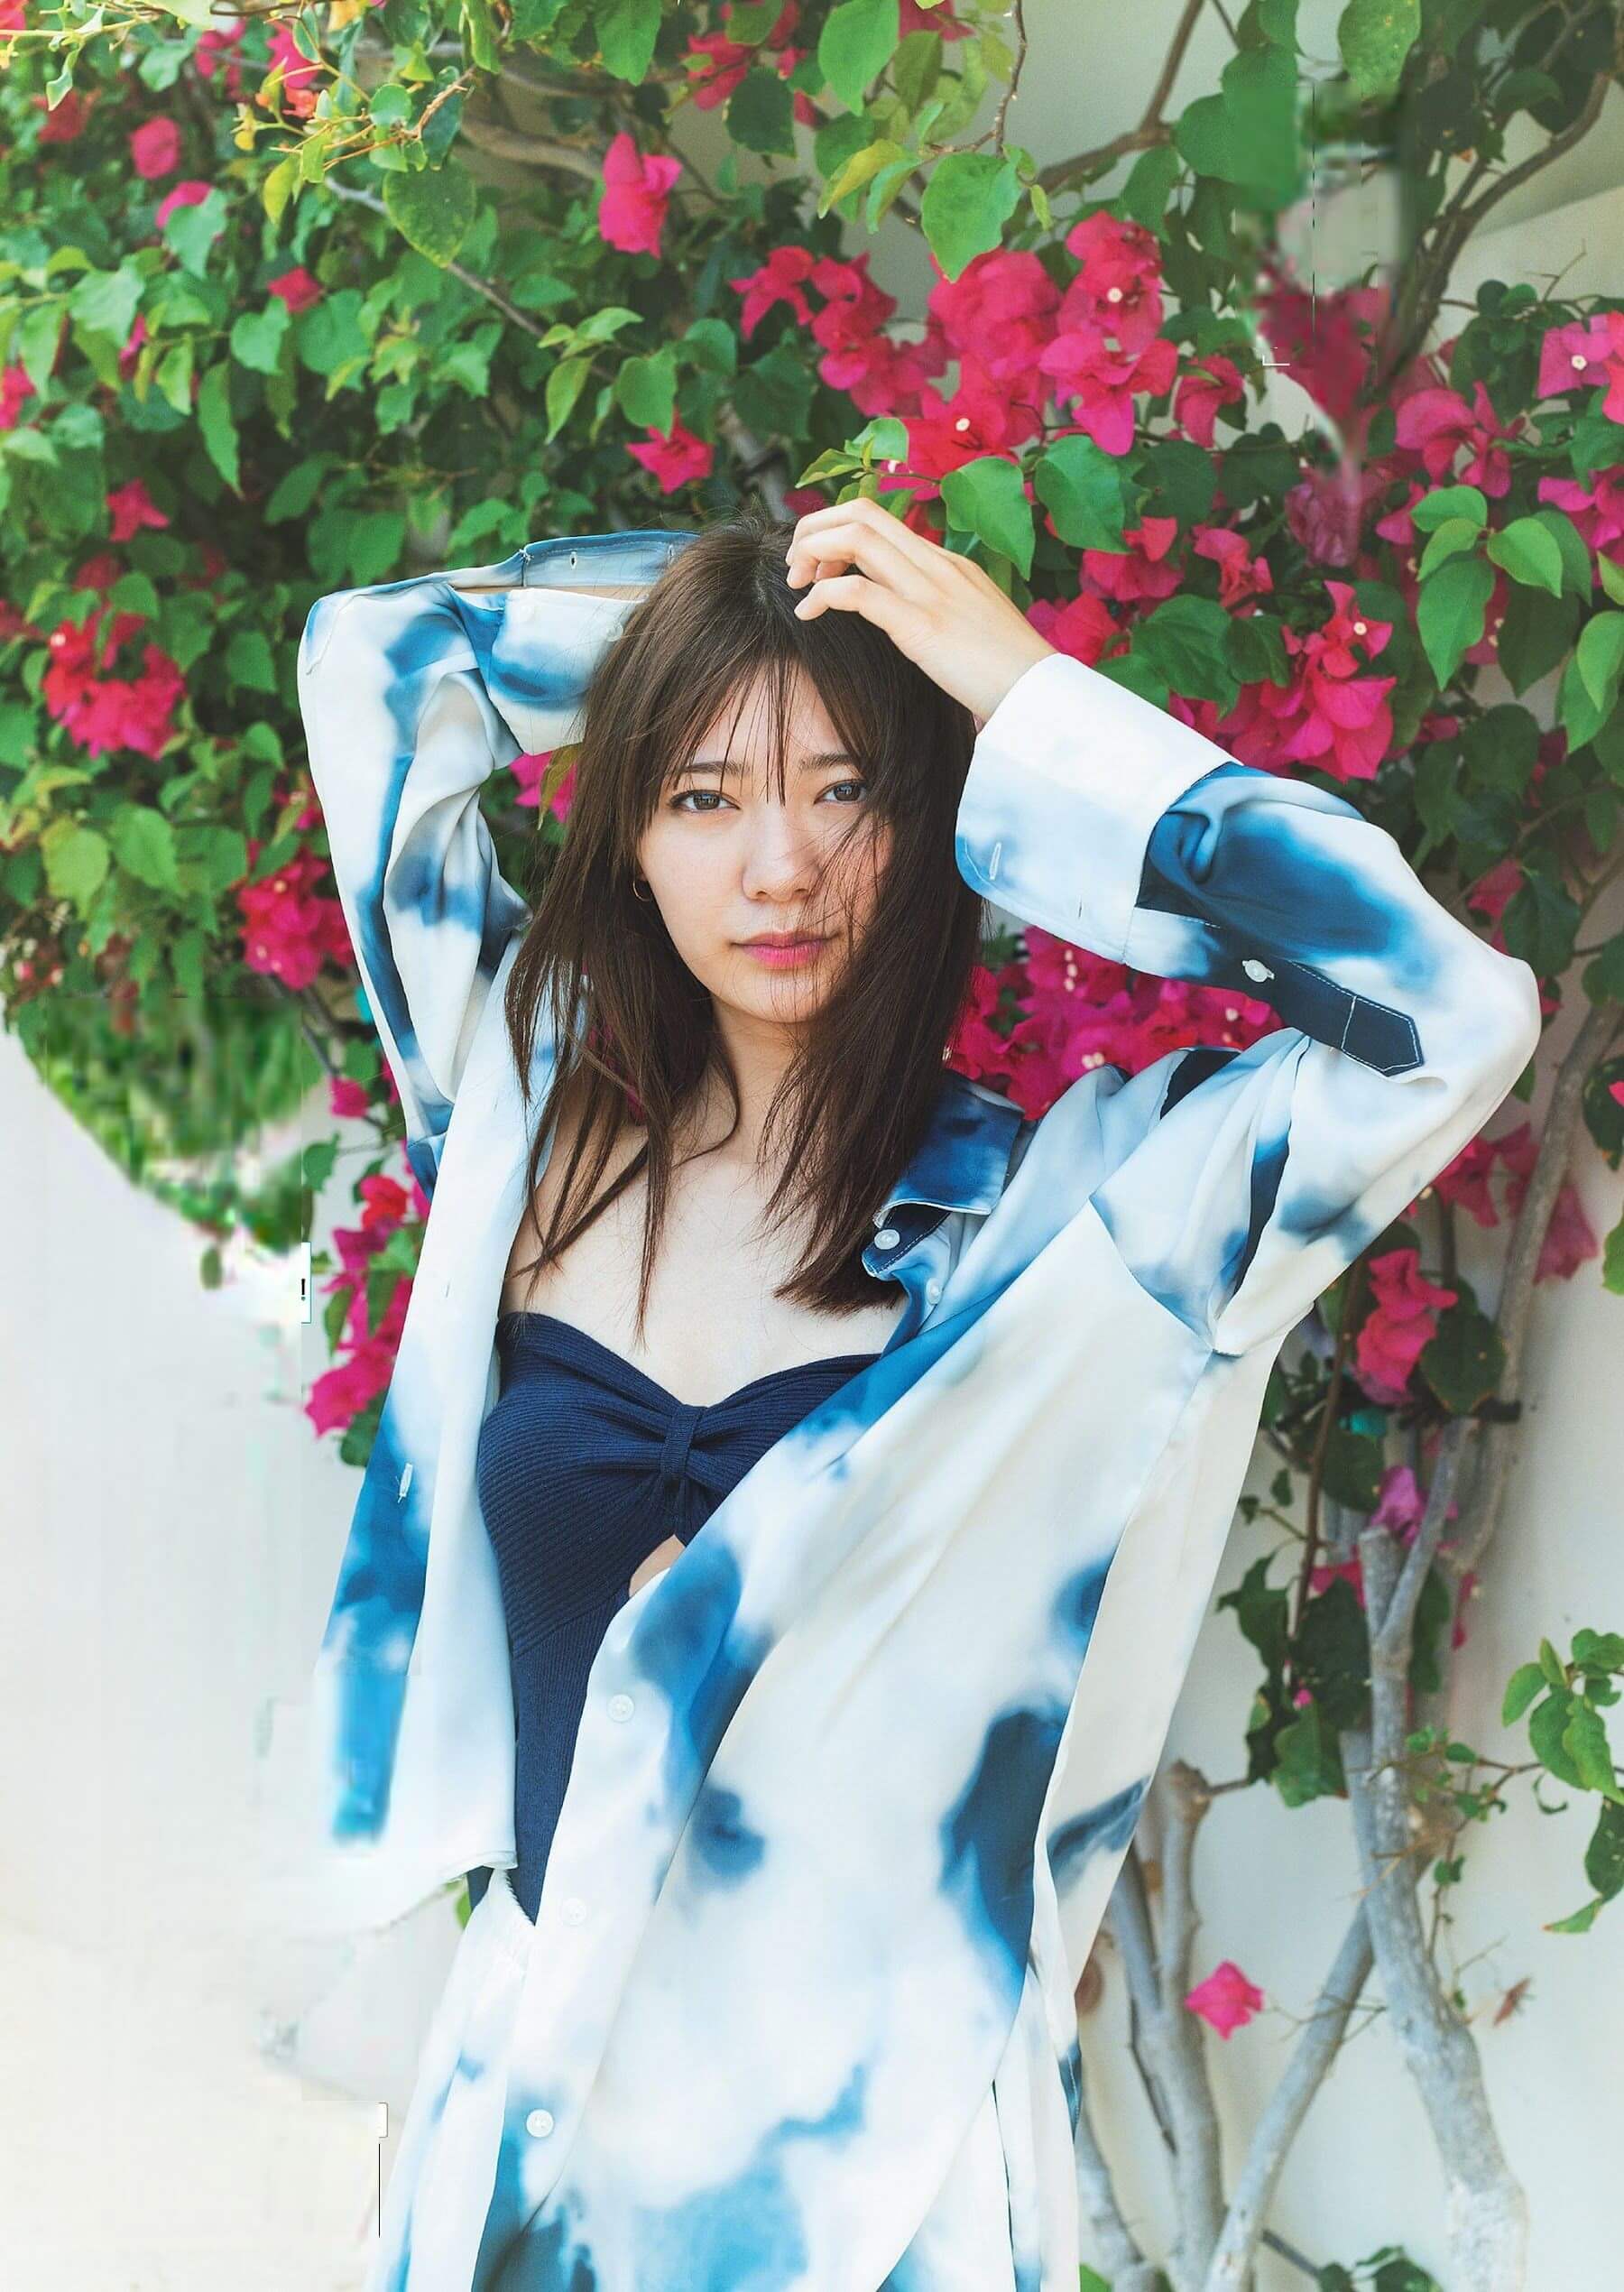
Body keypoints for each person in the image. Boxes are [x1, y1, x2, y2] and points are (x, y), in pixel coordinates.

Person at [284, 498, 1541, 2290]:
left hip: (865, 2186)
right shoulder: (524, 1135)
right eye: (703, 796)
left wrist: (1016, 694)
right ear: (628, 831)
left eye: (847, 790)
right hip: (528, 2116)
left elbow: (1454, 1018)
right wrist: (761, 603)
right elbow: (376, 665)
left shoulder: (1068, 1231)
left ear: (934, 808)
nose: (779, 866)